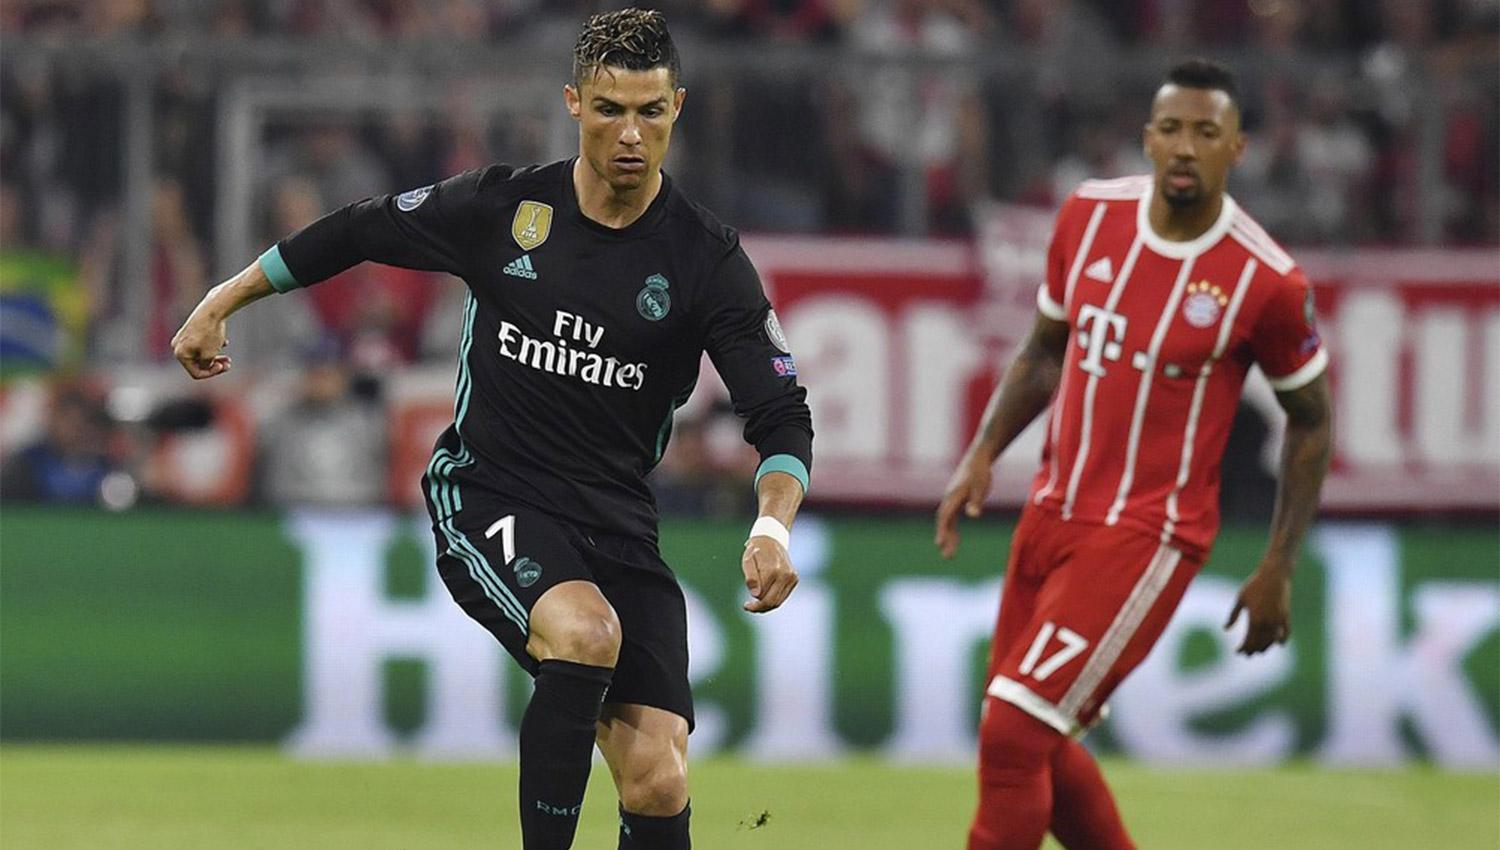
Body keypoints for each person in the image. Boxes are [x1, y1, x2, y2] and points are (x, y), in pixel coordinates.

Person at [171, 10, 813, 850]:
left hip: (618, 522)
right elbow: (360, 227)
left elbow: (780, 412)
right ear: (573, 103)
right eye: (610, 109)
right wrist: (223, 299)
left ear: (677, 109)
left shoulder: (705, 260)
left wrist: (772, 527)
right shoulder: (505, 209)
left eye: (650, 112)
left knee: (658, 780)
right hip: (490, 492)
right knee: (585, 634)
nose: (630, 134)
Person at [934, 59, 1332, 850]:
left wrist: (1278, 566)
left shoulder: (1267, 281)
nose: (1185, 147)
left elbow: (1312, 421)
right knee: (1034, 737)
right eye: (1172, 129)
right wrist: (983, 451)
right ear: (1149, 138)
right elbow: (1045, 348)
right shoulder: (1088, 215)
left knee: (1015, 728)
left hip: (1148, 535)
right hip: (1052, 510)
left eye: (1206, 133)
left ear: (1236, 149)